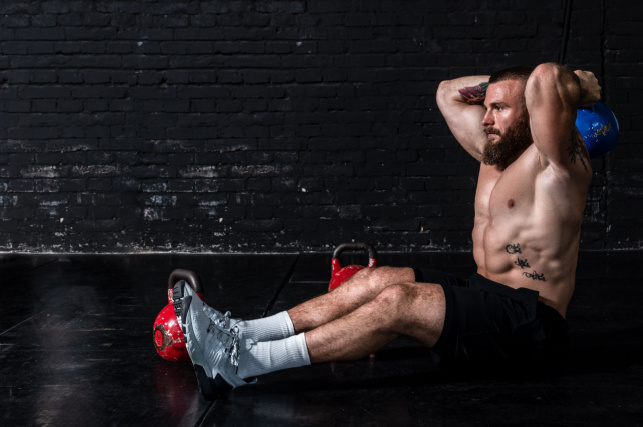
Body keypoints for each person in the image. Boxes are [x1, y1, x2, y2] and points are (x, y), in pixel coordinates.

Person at [174, 62, 601, 400]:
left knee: (398, 302)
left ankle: (242, 366)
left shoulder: (557, 164)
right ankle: (243, 333)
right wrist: (503, 88)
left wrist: (578, 85)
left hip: (530, 326)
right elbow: (447, 93)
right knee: (374, 280)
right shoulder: (493, 152)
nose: (485, 118)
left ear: (534, 113)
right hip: (485, 292)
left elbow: (545, 78)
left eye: (499, 109)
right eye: (486, 106)